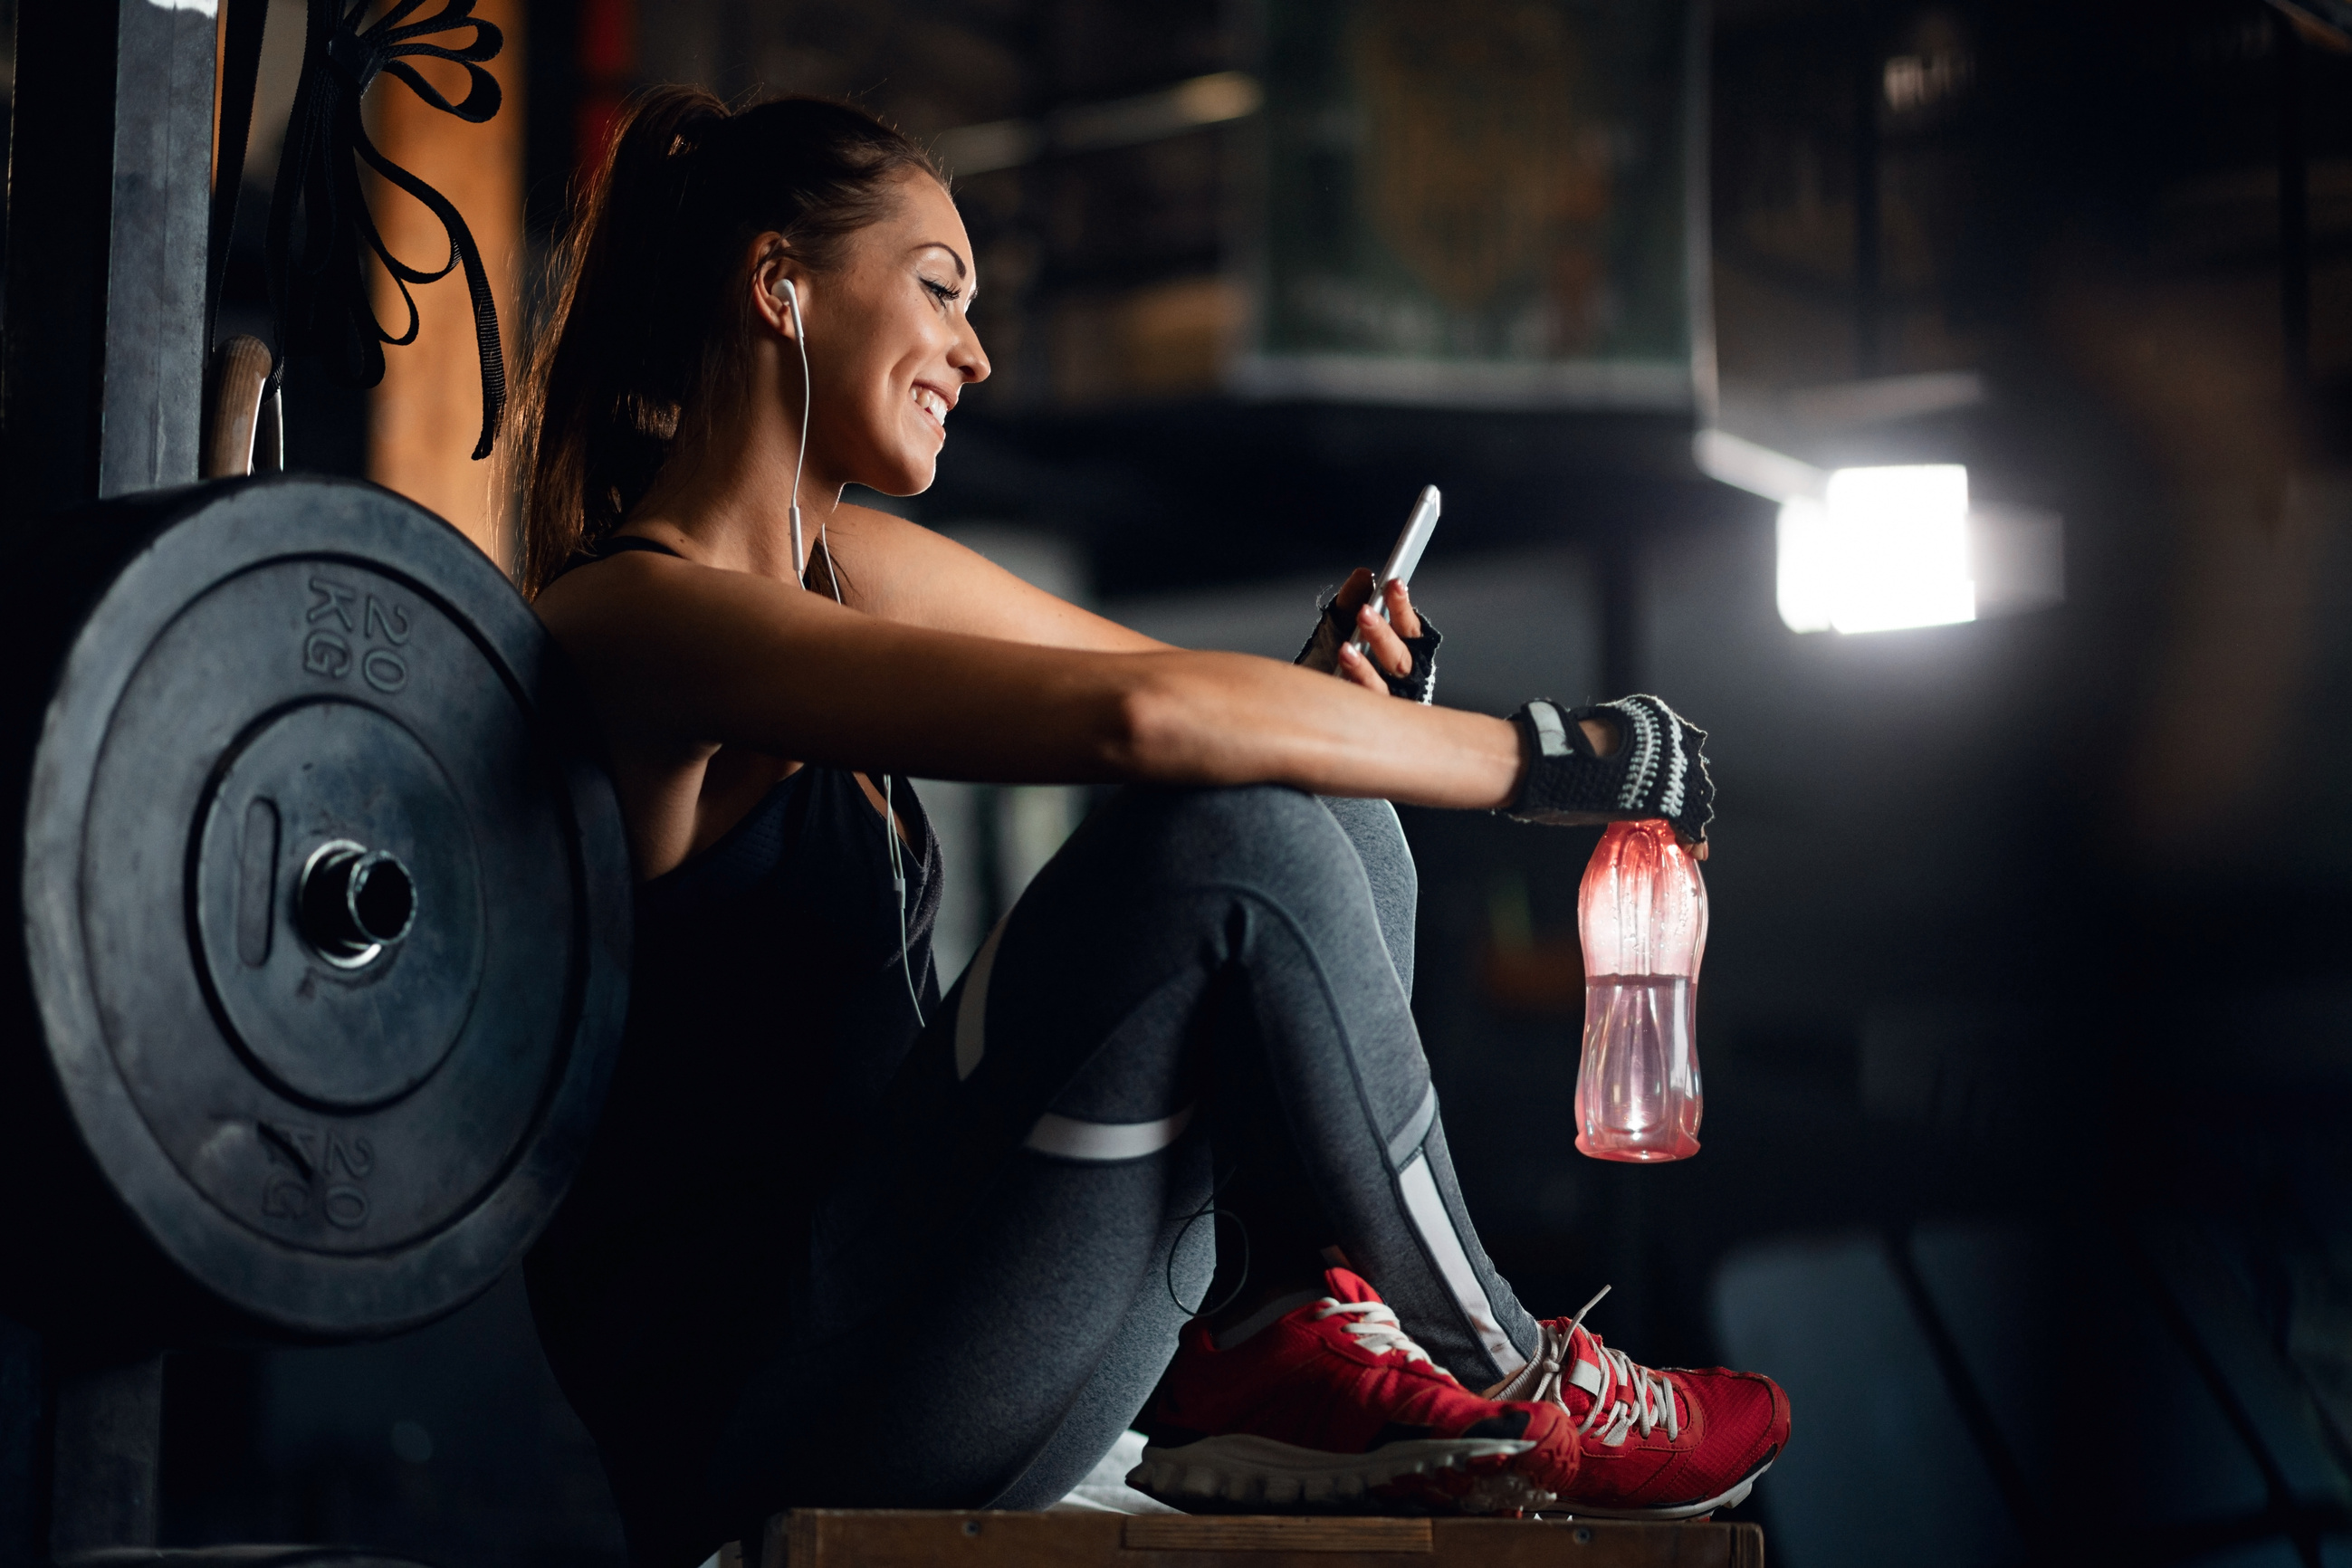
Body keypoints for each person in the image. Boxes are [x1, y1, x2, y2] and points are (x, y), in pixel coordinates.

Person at [514, 87, 1789, 1568]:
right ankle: (1516, 1372)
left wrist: (1340, 715)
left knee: (1315, 811)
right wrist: (1552, 759)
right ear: (775, 282)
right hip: (777, 1402)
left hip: (957, 1325)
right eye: (939, 289)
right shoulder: (629, 618)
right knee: (1237, 838)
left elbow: (1167, 689)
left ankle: (1274, 1330)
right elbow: (1144, 728)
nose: (974, 354)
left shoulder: (842, 560)